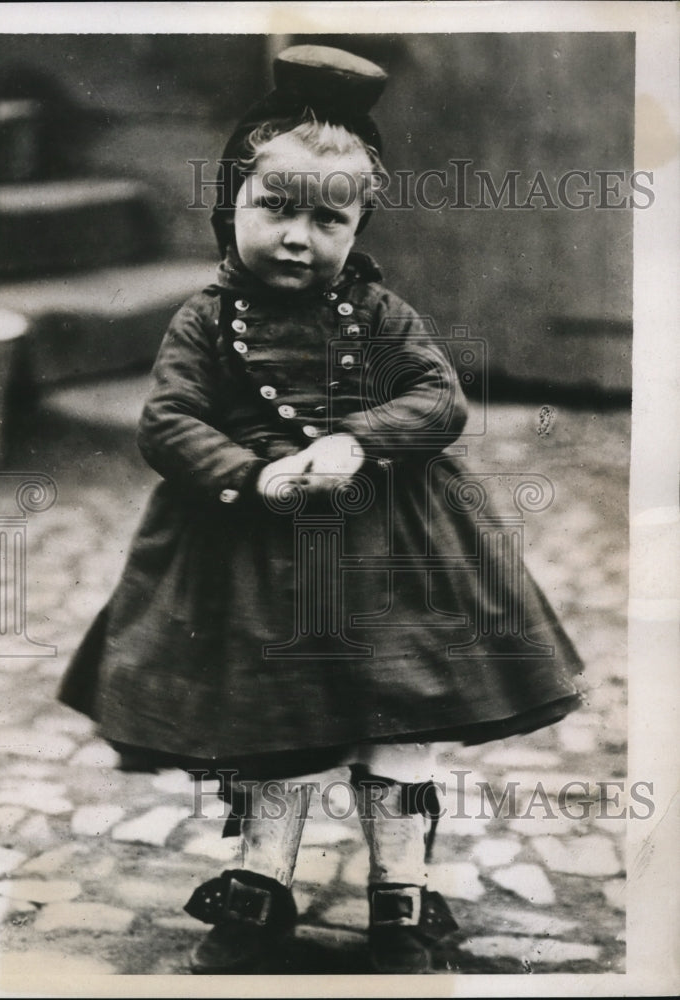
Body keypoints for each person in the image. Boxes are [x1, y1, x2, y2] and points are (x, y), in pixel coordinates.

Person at [59, 45, 584, 974]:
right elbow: (167, 420)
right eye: (275, 208)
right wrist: (251, 474)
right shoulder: (203, 320)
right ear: (231, 204)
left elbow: (438, 398)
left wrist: (359, 439)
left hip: (394, 548)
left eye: (327, 217)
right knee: (280, 726)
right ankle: (260, 892)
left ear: (356, 225)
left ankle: (400, 899)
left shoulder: (379, 312)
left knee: (403, 721)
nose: (298, 236)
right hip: (258, 552)